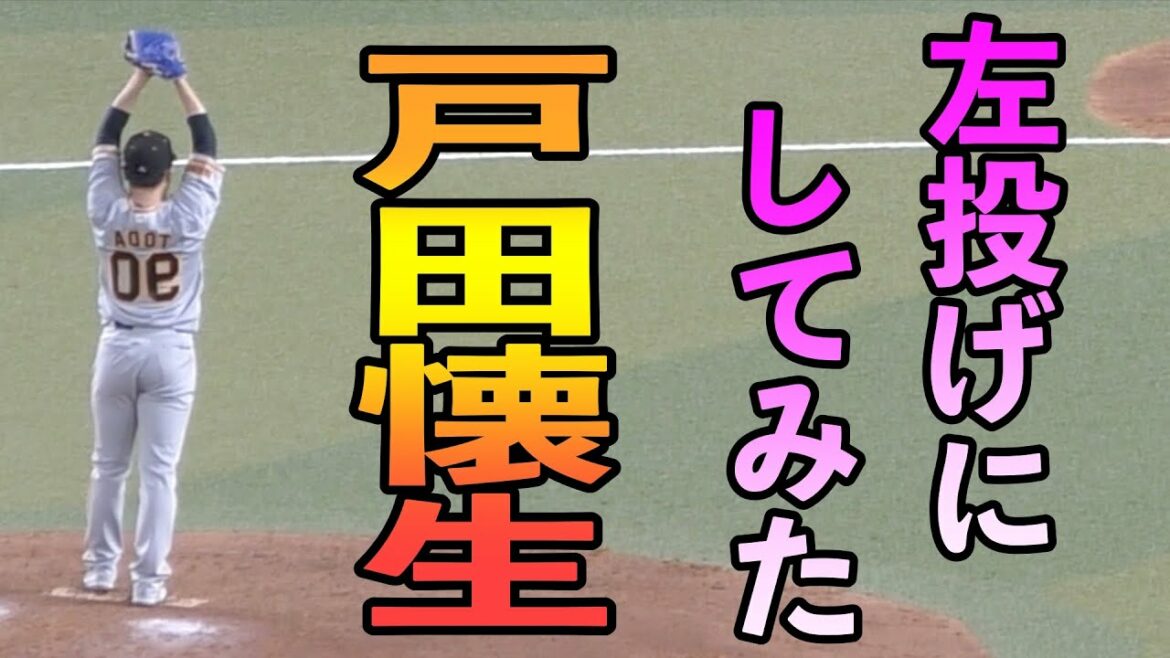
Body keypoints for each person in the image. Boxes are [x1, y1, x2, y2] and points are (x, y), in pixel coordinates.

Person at [82, 65, 223, 607]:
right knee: (159, 472)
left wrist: (138, 77)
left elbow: (105, 134)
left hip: (116, 351)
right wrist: (179, 78)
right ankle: (147, 582)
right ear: (169, 173)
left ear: (126, 173)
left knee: (108, 466)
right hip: (171, 353)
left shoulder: (105, 211)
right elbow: (206, 142)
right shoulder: (188, 218)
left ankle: (99, 570)